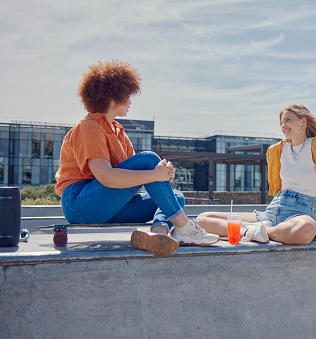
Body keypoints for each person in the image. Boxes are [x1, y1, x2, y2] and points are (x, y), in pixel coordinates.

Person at [54, 60, 219, 256]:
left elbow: (138, 183)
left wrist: (161, 175)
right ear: (114, 98)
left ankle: (160, 234)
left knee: (175, 196)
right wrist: (155, 173)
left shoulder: (119, 132)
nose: (130, 101)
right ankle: (185, 228)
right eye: (128, 96)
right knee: (148, 159)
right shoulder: (89, 126)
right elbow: (106, 177)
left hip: (111, 205)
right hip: (80, 204)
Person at [197, 104, 316, 245]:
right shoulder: (277, 150)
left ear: (303, 121)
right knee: (203, 219)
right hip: (273, 210)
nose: (283, 125)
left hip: (300, 211)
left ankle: (259, 231)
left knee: (305, 231)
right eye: (281, 122)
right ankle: (253, 232)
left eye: (288, 120)